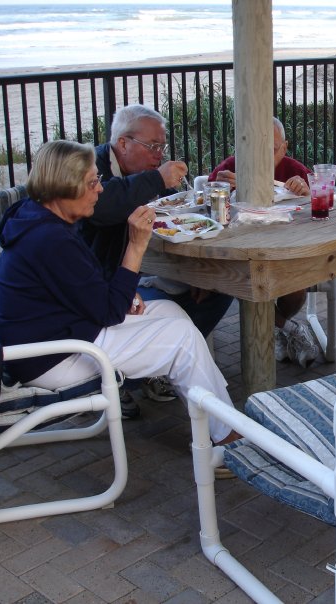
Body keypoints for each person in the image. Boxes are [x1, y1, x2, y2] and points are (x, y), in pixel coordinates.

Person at [0, 140, 237, 447]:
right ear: (65, 186)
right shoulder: (49, 239)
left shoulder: (39, 217)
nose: (100, 189)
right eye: (92, 182)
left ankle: (217, 413)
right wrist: (136, 245)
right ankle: (226, 438)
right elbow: (108, 310)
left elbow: (81, 283)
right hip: (51, 359)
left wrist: (122, 292)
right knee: (182, 339)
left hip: (66, 330)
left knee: (171, 311)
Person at [81, 104, 235, 412]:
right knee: (174, 317)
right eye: (152, 146)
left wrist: (195, 274)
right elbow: (103, 207)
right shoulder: (92, 171)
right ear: (123, 143)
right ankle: (125, 377)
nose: (159, 154)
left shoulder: (138, 174)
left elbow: (166, 216)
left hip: (135, 275)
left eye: (162, 147)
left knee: (218, 289)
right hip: (106, 289)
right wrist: (155, 179)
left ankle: (159, 371)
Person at [208, 116, 319, 367]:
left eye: (273, 149)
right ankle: (290, 329)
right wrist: (222, 189)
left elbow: (325, 206)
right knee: (244, 282)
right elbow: (204, 207)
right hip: (240, 254)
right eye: (257, 148)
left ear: (285, 147)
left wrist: (307, 193)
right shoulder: (231, 167)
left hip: (286, 251)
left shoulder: (294, 171)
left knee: (296, 290)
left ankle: (277, 328)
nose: (264, 157)